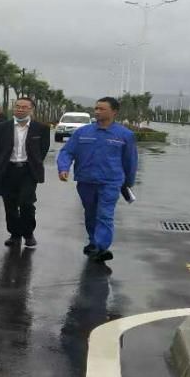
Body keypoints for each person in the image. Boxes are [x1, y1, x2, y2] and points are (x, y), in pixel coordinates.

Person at [56, 96, 139, 262]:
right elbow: (67, 151)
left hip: (110, 182)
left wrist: (128, 182)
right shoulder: (82, 132)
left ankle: (101, 247)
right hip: (86, 181)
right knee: (90, 213)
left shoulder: (125, 135)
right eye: (96, 108)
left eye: (102, 109)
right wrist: (63, 168)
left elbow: (130, 161)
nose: (97, 112)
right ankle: (94, 242)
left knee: (105, 214)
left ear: (114, 112)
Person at [0, 96, 51, 249]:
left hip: (28, 171)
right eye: (17, 106)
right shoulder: (1, 127)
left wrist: (34, 164)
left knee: (26, 203)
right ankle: (15, 234)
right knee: (9, 204)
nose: (20, 109)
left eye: (24, 107)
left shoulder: (41, 128)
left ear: (31, 109)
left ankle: (28, 233)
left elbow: (43, 150)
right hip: (8, 170)